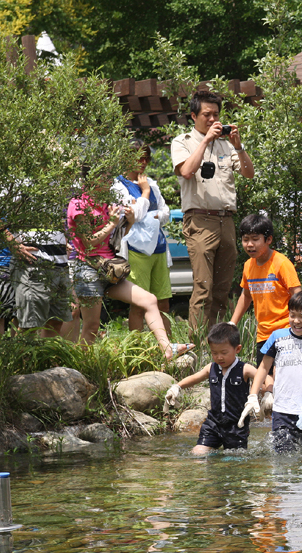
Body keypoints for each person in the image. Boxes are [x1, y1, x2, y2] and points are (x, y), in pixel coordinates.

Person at [65, 183, 188, 359]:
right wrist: (111, 223)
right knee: (92, 327)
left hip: (109, 269)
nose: (108, 181)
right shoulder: (78, 204)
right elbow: (89, 241)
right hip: (87, 268)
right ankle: (80, 366)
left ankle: (167, 348)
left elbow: (117, 239)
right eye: (105, 177)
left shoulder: (108, 203)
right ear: (91, 178)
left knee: (149, 300)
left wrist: (128, 223)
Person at [171, 89, 255, 329]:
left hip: (226, 221)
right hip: (199, 220)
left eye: (216, 115)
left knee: (222, 289)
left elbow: (248, 174)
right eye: (207, 114)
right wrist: (206, 140)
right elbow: (186, 171)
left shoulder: (226, 145)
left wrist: (238, 147)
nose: (212, 120)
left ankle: (219, 346)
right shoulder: (183, 142)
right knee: (203, 287)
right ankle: (197, 345)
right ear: (193, 115)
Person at [245, 291, 302, 453]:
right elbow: (263, 368)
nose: (296, 321)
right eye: (292, 315)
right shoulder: (277, 337)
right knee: (283, 457)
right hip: (283, 410)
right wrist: (253, 395)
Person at [165, 322, 258, 455]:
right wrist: (177, 386)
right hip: (213, 423)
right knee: (198, 453)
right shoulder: (211, 368)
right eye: (214, 353)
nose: (219, 357)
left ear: (237, 349)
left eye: (224, 353)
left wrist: (267, 393)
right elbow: (195, 377)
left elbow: (263, 377)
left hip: (236, 426)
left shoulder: (244, 369)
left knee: (234, 461)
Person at [113, 138, 172, 335]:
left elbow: (165, 214)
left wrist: (148, 212)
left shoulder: (152, 183)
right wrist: (144, 194)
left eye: (145, 158)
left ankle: (169, 347)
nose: (143, 163)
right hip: (136, 250)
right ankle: (137, 350)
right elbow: (133, 215)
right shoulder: (118, 186)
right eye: (138, 158)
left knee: (163, 301)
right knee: (139, 303)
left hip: (159, 247)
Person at [230, 213, 301, 354]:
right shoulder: (248, 266)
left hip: (286, 331)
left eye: (255, 239)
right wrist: (232, 323)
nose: (249, 244)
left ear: (268, 239)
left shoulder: (281, 263)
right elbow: (245, 296)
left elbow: (298, 295)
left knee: (281, 375)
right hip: (263, 334)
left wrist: (300, 325)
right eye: (245, 240)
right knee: (264, 374)